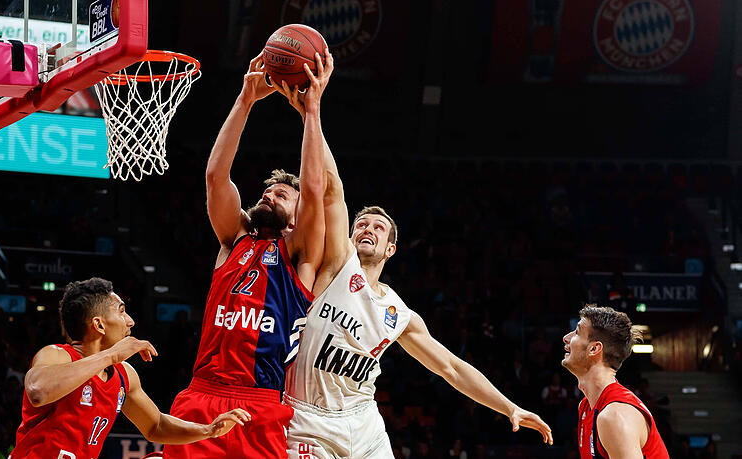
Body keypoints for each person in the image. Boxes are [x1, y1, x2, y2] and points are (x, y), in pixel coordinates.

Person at [276, 49, 552, 458]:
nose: (367, 228)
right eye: (361, 224)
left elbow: (451, 367)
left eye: (378, 227)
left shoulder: (398, 313)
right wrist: (310, 114)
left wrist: (509, 407)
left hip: (363, 423)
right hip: (307, 419)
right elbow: (331, 189)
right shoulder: (335, 266)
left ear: (391, 249)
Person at [162, 53, 325, 458]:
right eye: (267, 191)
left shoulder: (299, 255)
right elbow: (216, 176)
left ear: (295, 218)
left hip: (260, 403)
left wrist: (311, 112)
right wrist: (245, 99)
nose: (269, 195)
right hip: (202, 395)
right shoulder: (233, 240)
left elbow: (314, 189)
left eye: (282, 195)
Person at [10, 278, 250, 459]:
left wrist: (208, 430)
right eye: (122, 311)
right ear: (99, 325)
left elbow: (156, 425)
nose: (131, 321)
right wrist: (111, 355)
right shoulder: (57, 355)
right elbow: (38, 391)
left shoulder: (124, 375)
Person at [561, 305, 669, 458]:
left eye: (577, 332)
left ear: (594, 349)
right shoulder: (586, 407)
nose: (566, 338)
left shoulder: (615, 416)